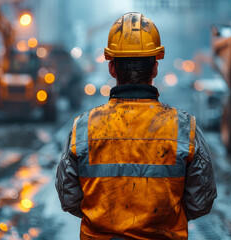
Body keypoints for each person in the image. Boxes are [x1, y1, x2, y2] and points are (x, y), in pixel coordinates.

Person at [56, 12, 217, 240]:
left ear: (112, 68)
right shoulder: (184, 128)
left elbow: (68, 197)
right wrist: (160, 222)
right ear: (154, 68)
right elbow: (201, 201)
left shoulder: (83, 128)